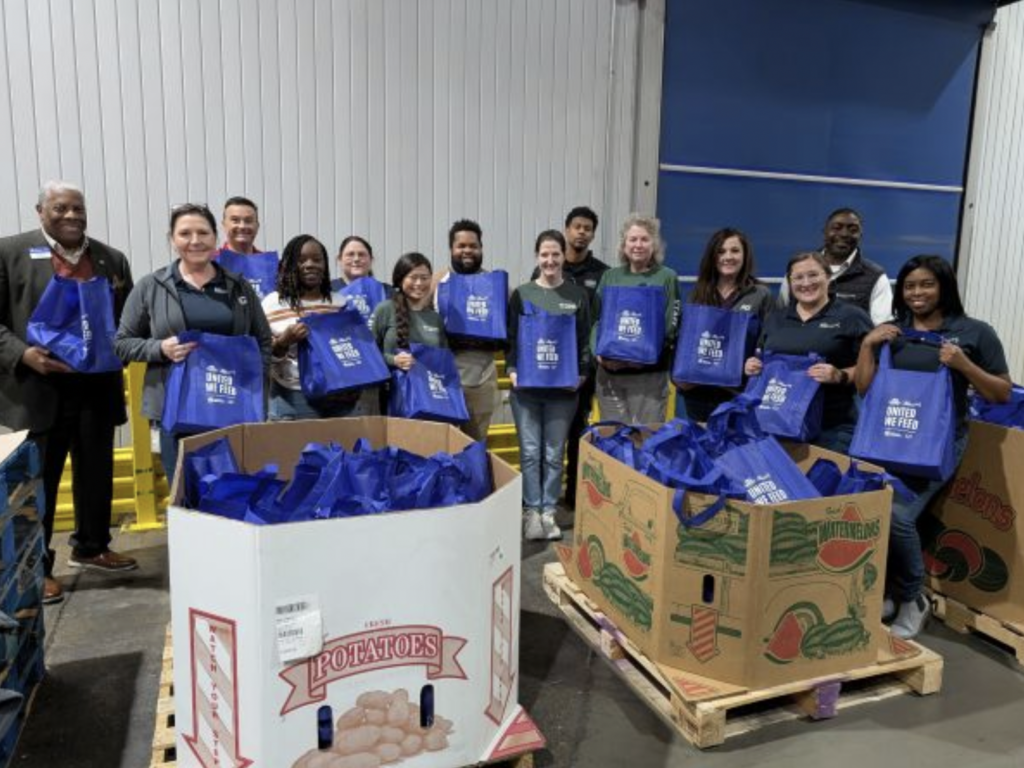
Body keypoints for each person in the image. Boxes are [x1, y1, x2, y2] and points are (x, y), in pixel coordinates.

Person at [855, 255, 1011, 640]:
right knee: (876, 514)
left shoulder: (974, 332)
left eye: (926, 284)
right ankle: (891, 592)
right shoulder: (893, 331)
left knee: (899, 516)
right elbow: (863, 387)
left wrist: (964, 366)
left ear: (944, 287)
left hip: (939, 443)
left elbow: (1002, 393)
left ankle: (913, 599)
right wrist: (866, 344)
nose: (917, 293)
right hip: (889, 439)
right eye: (909, 286)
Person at [0, 181, 137, 604]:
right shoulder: (10, 253)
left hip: (97, 387)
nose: (71, 216)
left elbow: (128, 319)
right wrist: (24, 355)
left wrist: (125, 349)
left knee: (96, 472)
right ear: (40, 210)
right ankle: (35, 568)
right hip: (37, 387)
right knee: (37, 482)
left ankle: (92, 546)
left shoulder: (111, 259)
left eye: (78, 208)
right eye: (60, 208)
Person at [114, 204, 272, 484]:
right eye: (185, 233)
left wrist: (252, 382)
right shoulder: (151, 286)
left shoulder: (239, 286)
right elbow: (122, 343)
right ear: (172, 239)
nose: (195, 240)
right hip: (176, 410)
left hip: (230, 407)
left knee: (232, 490)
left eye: (203, 232)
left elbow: (263, 339)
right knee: (183, 491)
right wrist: (160, 348)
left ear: (215, 237)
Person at [508, 230, 592, 541]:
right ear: (536, 257)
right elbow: (512, 337)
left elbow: (585, 340)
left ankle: (548, 512)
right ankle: (531, 512)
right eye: (544, 254)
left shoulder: (577, 296)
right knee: (530, 452)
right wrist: (513, 368)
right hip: (527, 391)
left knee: (554, 453)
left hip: (563, 391)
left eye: (555, 254)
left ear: (563, 258)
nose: (550, 260)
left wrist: (582, 373)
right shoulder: (522, 294)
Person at [745, 252, 872, 454]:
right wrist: (753, 365)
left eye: (813, 275)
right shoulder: (776, 318)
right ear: (789, 282)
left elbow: (873, 368)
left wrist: (840, 375)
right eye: (798, 277)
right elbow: (762, 358)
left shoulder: (852, 317)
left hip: (832, 429)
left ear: (828, 277)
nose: (806, 283)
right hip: (777, 425)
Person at [530, 207, 608, 512]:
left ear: (592, 234)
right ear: (566, 230)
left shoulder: (601, 273)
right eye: (577, 227)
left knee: (577, 433)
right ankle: (536, 503)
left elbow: (599, 321)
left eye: (588, 228)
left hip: (579, 371)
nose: (582, 232)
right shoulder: (541, 272)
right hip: (544, 369)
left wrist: (587, 368)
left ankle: (573, 499)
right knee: (542, 441)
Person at [261, 235, 367, 420]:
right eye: (301, 260)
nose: (310, 264)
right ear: (288, 265)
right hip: (294, 396)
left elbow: (356, 351)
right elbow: (260, 357)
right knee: (297, 449)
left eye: (317, 259)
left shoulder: (341, 303)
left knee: (344, 448)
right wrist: (283, 342)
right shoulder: (272, 304)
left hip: (341, 397)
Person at [676, 227, 773, 422]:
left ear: (745, 255)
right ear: (712, 256)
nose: (728, 257)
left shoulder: (760, 294)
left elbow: (769, 343)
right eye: (721, 251)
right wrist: (678, 378)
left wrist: (756, 363)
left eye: (735, 251)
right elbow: (685, 341)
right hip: (698, 394)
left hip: (738, 395)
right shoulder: (698, 294)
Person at [591, 214, 680, 425]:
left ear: (654, 244)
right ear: (624, 245)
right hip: (610, 373)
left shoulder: (667, 276)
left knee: (645, 438)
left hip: (648, 375)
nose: (638, 245)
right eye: (632, 239)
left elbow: (672, 323)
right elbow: (596, 319)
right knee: (612, 439)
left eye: (644, 239)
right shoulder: (610, 276)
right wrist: (599, 354)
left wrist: (639, 356)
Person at [434, 220, 503, 441]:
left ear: (481, 248)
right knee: (445, 444)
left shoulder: (495, 284)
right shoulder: (436, 281)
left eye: (473, 246)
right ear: (451, 249)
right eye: (461, 246)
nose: (467, 251)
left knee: (476, 447)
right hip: (443, 381)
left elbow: (505, 335)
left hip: (482, 381)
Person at [777, 208, 892, 325]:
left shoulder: (875, 276)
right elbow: (780, 318)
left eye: (853, 230)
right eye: (836, 228)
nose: (844, 234)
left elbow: (881, 329)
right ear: (824, 231)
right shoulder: (798, 270)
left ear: (860, 235)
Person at [371, 252, 447, 368]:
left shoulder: (435, 318)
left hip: (426, 384)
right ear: (400, 279)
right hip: (392, 384)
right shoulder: (385, 309)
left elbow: (444, 359)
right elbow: (368, 353)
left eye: (424, 278)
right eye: (413, 277)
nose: (419, 283)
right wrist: (393, 360)